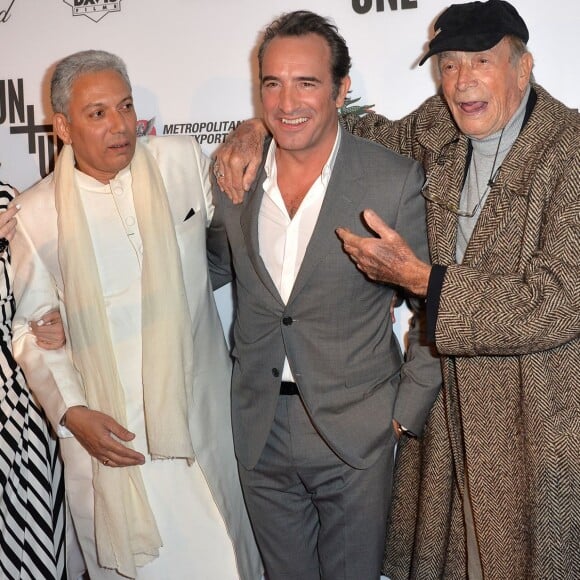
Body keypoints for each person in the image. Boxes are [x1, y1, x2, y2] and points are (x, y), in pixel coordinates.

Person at [215, 1, 580, 578]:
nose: (462, 83)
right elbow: (335, 120)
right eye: (450, 66)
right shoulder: (439, 126)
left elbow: (559, 301)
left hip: (537, 416)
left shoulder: (571, 150)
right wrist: (259, 125)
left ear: (524, 65)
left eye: (481, 62)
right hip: (449, 422)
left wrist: (419, 281)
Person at [9, 50, 261, 580]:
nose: (119, 125)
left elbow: (246, 211)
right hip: (110, 441)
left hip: (197, 425)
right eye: (97, 113)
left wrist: (253, 128)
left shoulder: (181, 160)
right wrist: (72, 412)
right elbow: (30, 331)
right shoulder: (34, 213)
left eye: (124, 106)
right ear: (62, 127)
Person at [208, 11, 441, 580]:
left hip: (355, 432)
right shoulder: (234, 178)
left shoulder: (392, 180)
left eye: (307, 82)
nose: (287, 101)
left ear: (342, 89)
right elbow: (201, 270)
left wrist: (403, 414)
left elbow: (434, 302)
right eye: (273, 82)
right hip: (258, 429)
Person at [0, 184, 72, 579]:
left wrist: (60, 320)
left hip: (18, 405)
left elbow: (35, 300)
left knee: (27, 541)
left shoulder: (11, 202)